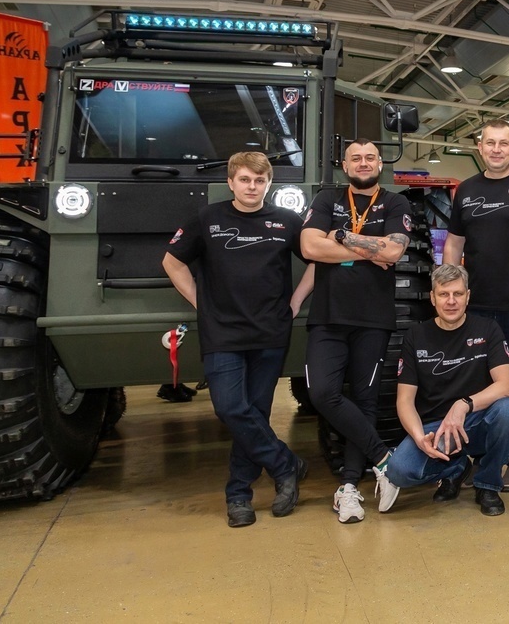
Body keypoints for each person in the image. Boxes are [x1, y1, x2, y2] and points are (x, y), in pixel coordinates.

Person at [162, 151, 313, 528]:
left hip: (270, 332)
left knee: (256, 413)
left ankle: (238, 495)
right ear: (230, 182)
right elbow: (172, 261)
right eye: (245, 180)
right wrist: (201, 303)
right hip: (223, 333)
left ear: (269, 184)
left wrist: (296, 301)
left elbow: (317, 259)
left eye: (260, 181)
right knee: (230, 408)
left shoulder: (286, 221)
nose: (252, 187)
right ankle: (285, 464)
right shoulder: (208, 218)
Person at [300, 139, 413, 524]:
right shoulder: (326, 198)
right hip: (328, 317)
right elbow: (309, 247)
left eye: (370, 158)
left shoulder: (396, 203)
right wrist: (370, 249)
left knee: (364, 400)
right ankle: (383, 458)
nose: (363, 163)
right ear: (344, 165)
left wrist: (338, 236)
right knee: (322, 393)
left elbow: (394, 252)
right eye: (355, 158)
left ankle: (349, 486)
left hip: (373, 319)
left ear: (380, 163)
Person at [443, 120, 509, 491]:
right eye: (490, 143)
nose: (497, 149)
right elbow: (454, 243)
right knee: (476, 383)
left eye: (504, 143)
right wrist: (448, 287)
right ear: (480, 146)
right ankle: (481, 457)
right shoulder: (467, 190)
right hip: (475, 307)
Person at [379, 264, 509, 517]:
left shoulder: (488, 329)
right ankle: (456, 469)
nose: (451, 301)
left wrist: (463, 405)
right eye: (444, 294)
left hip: (476, 422)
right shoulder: (416, 335)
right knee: (399, 471)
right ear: (432, 298)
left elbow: (506, 386)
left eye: (458, 294)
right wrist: (419, 438)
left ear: (468, 296)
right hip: (435, 430)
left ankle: (487, 484)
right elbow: (404, 401)